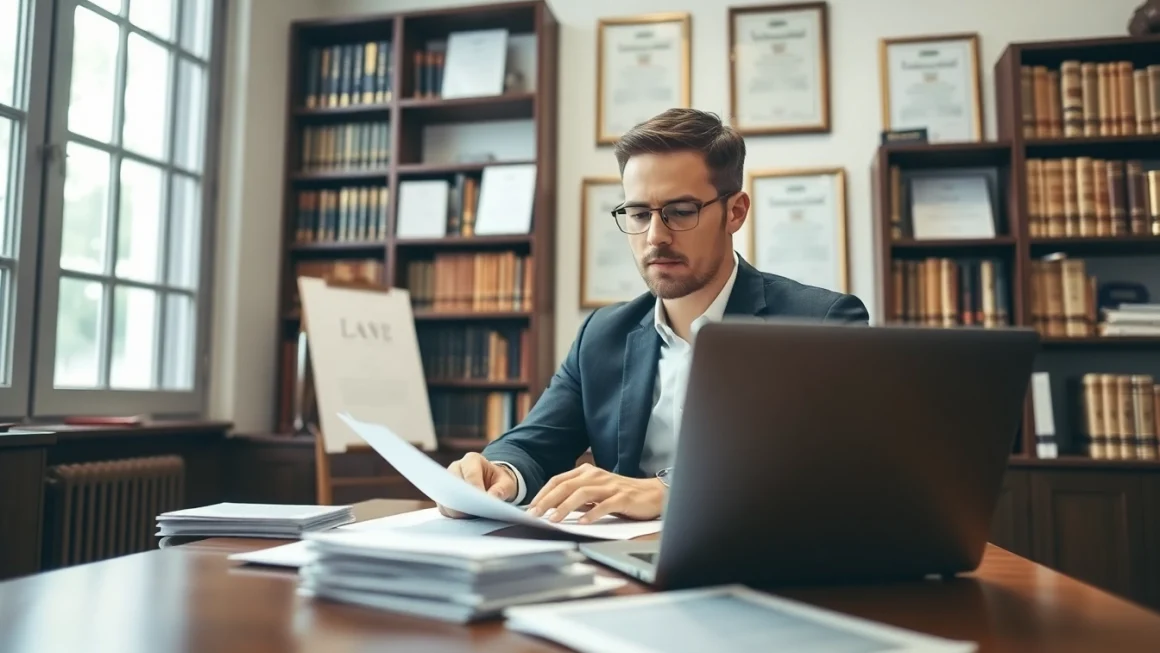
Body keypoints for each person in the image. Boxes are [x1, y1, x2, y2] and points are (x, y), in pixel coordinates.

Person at [438, 108, 869, 523]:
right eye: (639, 214)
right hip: (622, 563)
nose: (655, 237)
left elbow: (829, 467)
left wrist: (670, 491)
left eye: (680, 212)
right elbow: (534, 446)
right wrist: (497, 475)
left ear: (735, 212)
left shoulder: (821, 322)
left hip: (760, 561)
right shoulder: (602, 335)